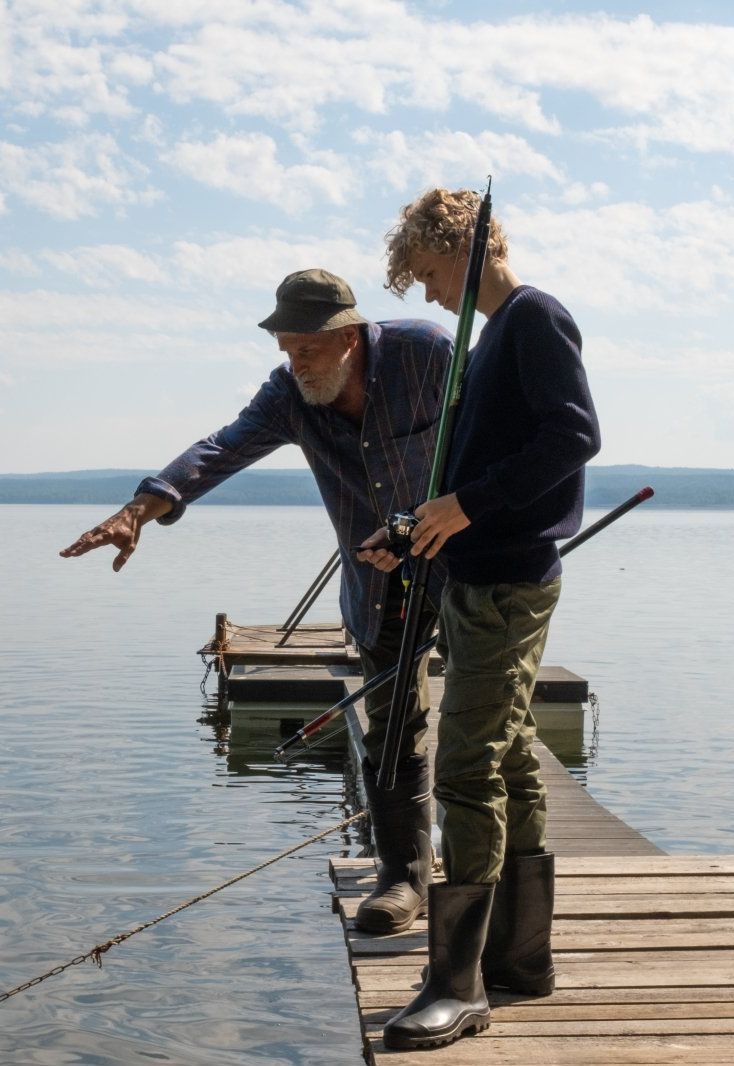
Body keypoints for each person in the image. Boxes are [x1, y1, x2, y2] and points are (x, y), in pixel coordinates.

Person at [60, 268, 455, 937]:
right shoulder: (289, 397)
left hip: (468, 564)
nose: (291, 359)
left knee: (481, 725)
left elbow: (496, 434)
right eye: (284, 345)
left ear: (351, 336)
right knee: (392, 733)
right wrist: (141, 509)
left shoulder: (429, 352)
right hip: (379, 584)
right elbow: (222, 449)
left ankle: (483, 875)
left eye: (305, 347)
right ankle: (404, 879)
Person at [358, 189, 601, 1050]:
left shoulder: (535, 319)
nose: (425, 295)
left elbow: (573, 438)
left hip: (508, 584)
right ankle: (521, 958)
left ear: (466, 250)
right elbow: (480, 467)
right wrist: (417, 530)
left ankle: (456, 984)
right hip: (477, 575)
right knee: (510, 758)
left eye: (428, 274)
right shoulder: (495, 334)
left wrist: (467, 505)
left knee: (463, 769)